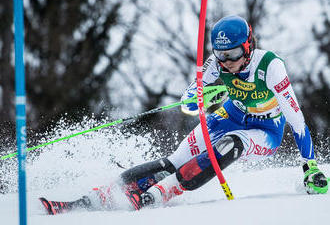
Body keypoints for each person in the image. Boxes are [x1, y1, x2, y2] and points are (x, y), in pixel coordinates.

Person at [40, 15, 328, 215]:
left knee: (229, 146)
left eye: (233, 54)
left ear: (249, 45)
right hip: (229, 115)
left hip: (265, 130)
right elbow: (188, 103)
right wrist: (197, 98)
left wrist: (309, 166)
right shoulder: (217, 64)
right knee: (174, 162)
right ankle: (97, 196)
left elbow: (296, 118)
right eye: (221, 55)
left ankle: (158, 195)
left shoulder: (270, 67)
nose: (226, 63)